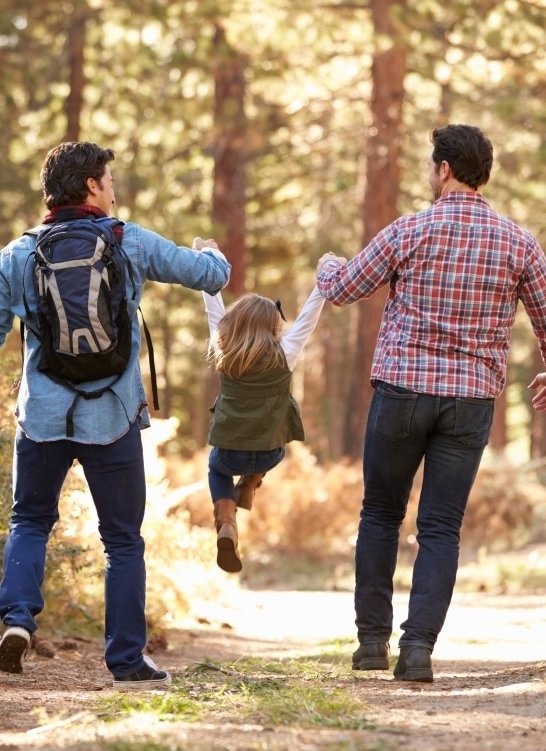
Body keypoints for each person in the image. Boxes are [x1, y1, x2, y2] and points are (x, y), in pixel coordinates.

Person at [0, 141, 230, 689]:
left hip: (42, 420)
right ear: (93, 187)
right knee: (122, 540)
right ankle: (127, 660)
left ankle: (19, 621)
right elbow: (209, 276)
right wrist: (215, 255)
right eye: (110, 179)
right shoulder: (128, 241)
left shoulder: (17, 254)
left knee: (30, 521)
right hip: (114, 419)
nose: (114, 189)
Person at [316, 123, 546, 682]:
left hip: (403, 391)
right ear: (482, 174)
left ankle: (372, 643)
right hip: (469, 402)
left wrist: (325, 265)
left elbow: (343, 288)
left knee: (381, 514)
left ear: (443, 170)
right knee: (441, 528)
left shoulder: (409, 231)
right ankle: (417, 650)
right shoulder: (519, 242)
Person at [203, 285, 325, 573]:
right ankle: (248, 485)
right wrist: (322, 282)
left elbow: (212, 307)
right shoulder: (285, 352)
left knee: (216, 468)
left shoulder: (223, 348)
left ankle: (227, 522)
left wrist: (208, 258)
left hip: (230, 454)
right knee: (270, 436)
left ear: (235, 321)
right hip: (271, 454)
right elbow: (308, 317)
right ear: (272, 324)